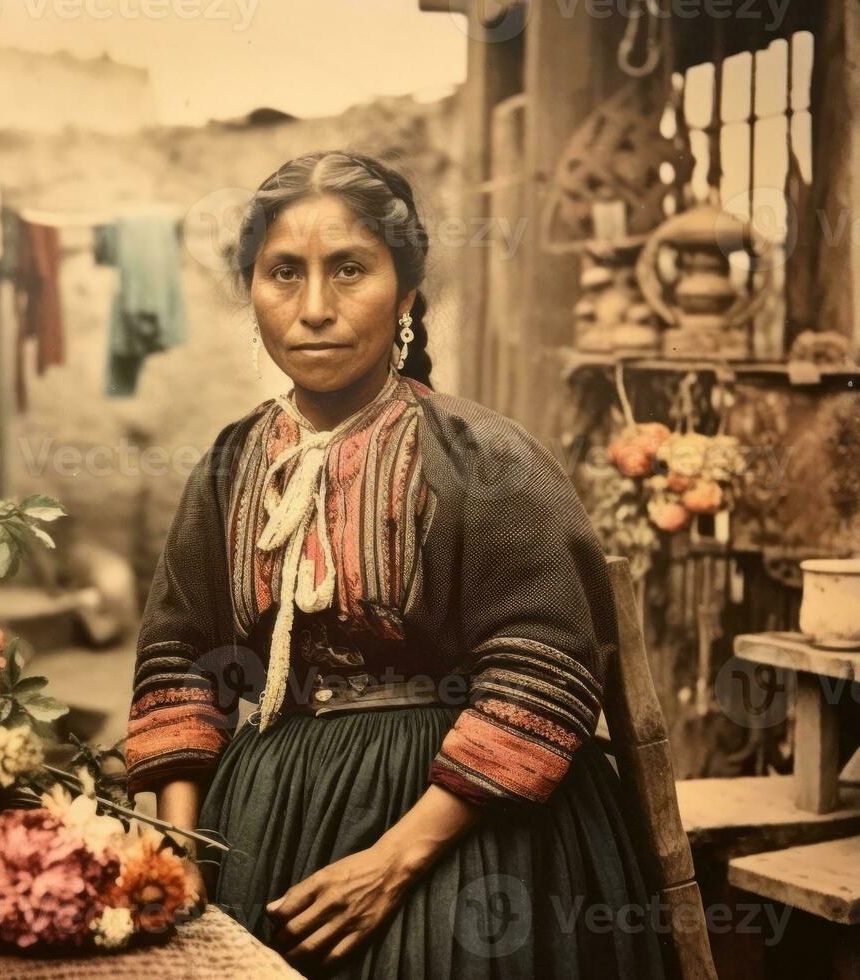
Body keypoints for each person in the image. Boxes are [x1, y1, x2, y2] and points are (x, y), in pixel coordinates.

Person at [124, 151, 666, 978]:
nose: (313, 308)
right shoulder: (233, 464)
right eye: (282, 274)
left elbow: (543, 672)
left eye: (349, 270)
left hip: (466, 835)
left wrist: (395, 862)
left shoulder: (482, 459)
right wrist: (182, 850)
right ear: (253, 295)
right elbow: (179, 663)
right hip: (266, 829)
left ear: (406, 295)